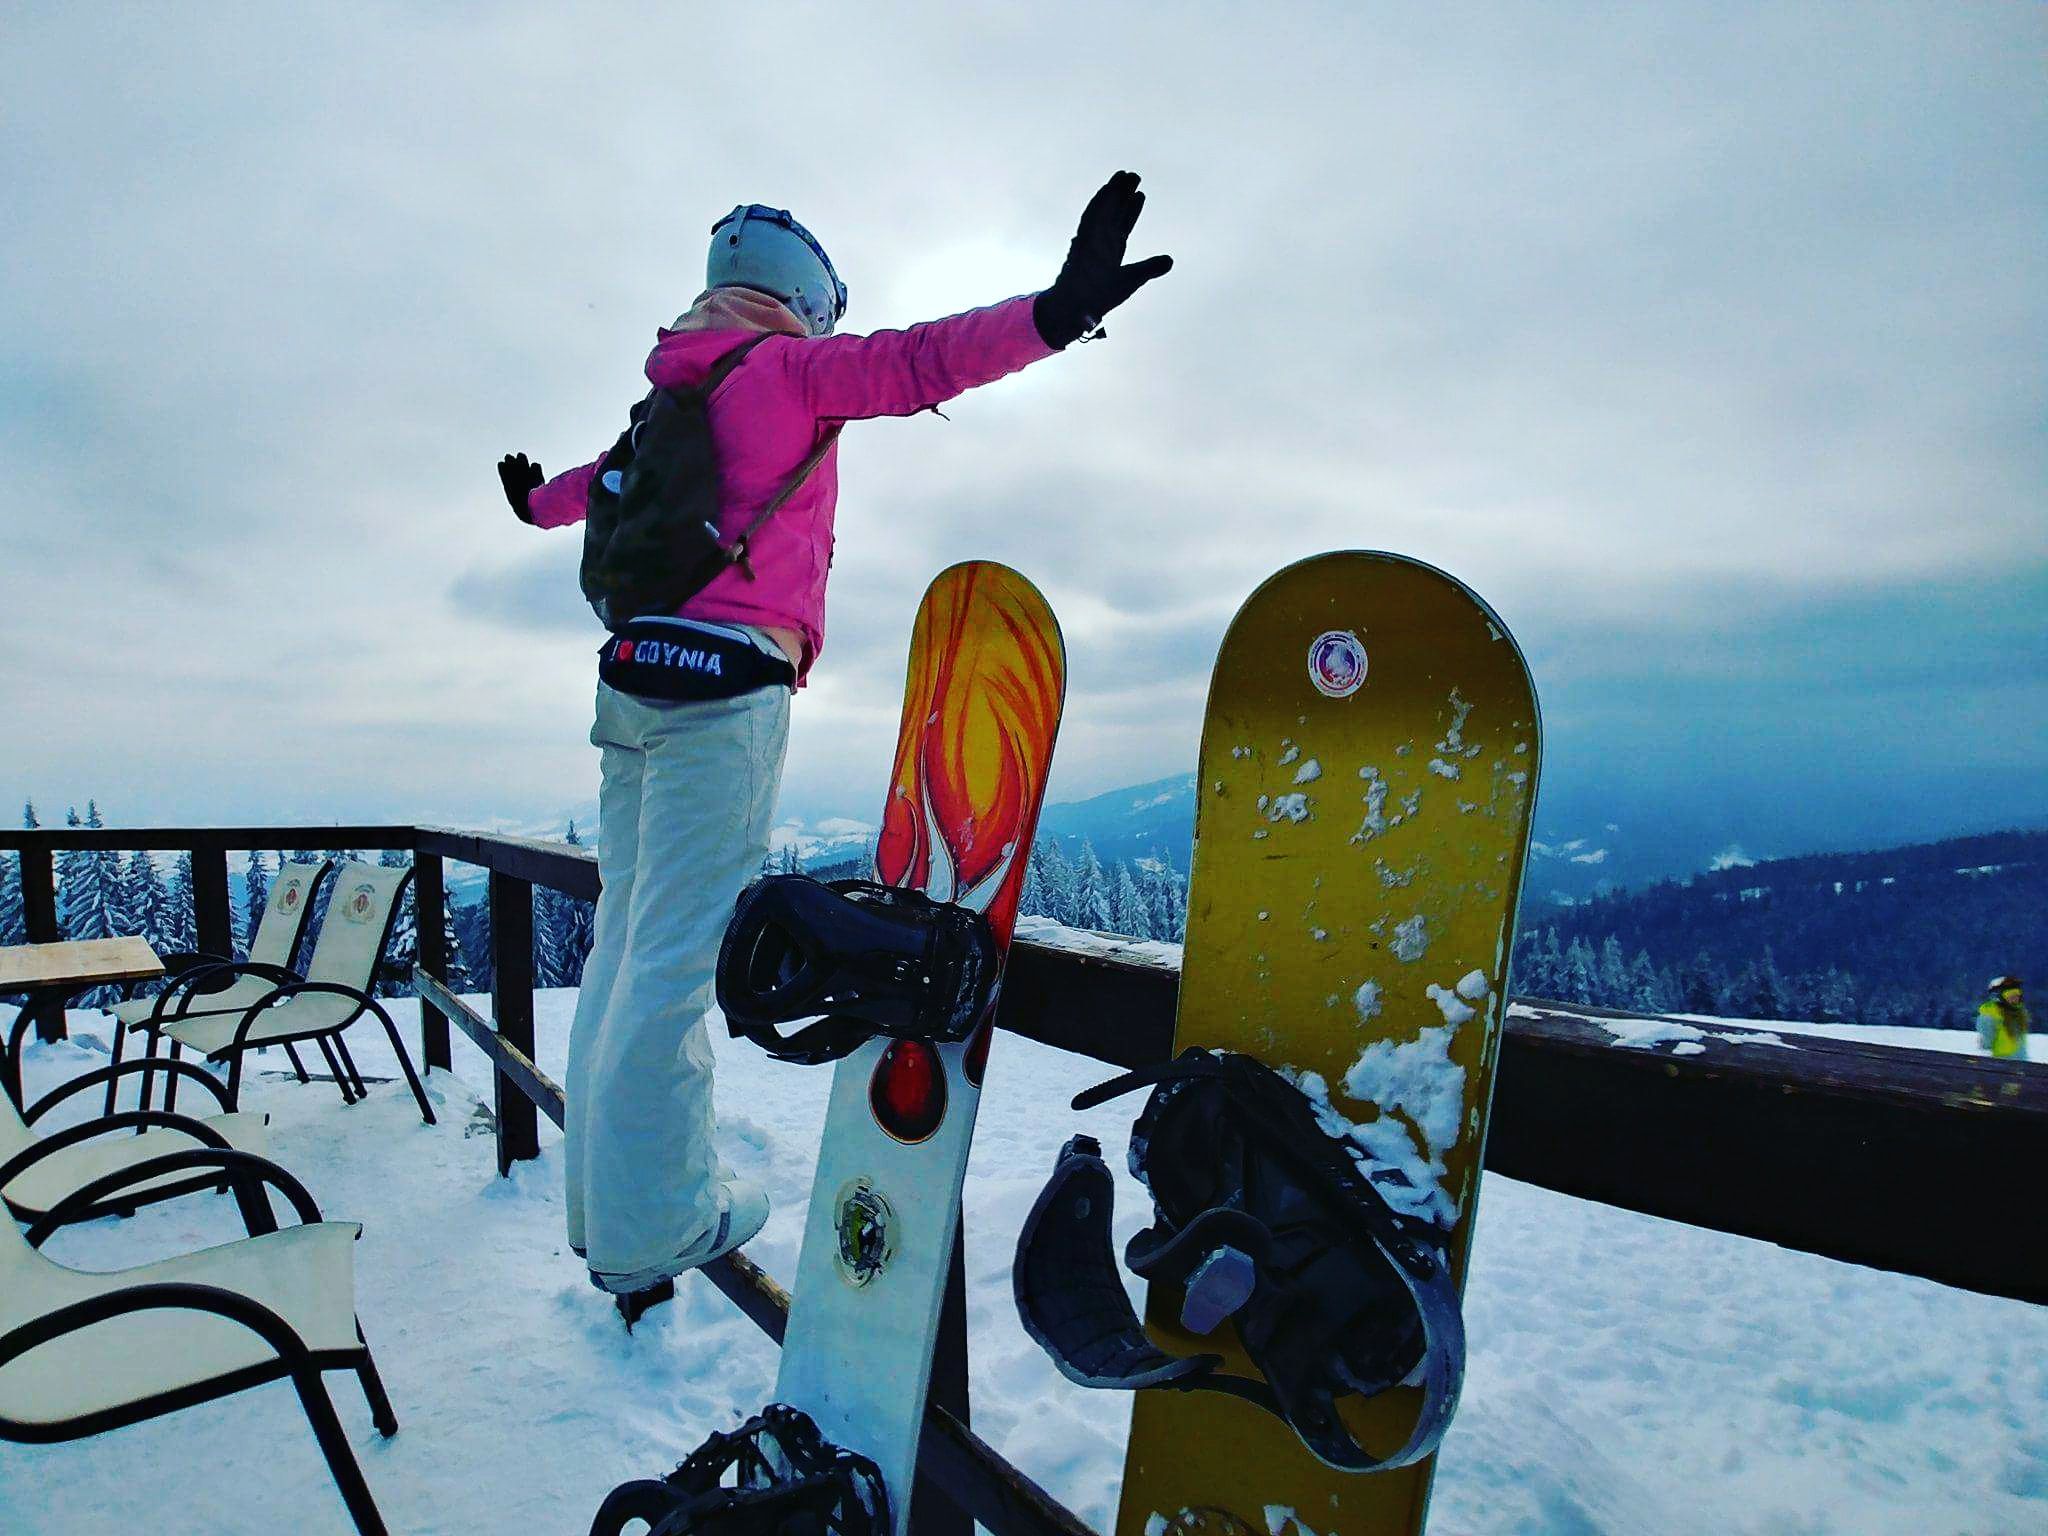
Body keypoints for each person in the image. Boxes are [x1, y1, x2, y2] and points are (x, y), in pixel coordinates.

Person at [497, 173, 1171, 1322]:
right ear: (805, 297)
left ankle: (604, 1208)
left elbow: (582, 492)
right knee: (670, 968)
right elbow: (918, 363)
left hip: (629, 685)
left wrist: (530, 508)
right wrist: (1055, 315)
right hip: (722, 690)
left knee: (621, 954)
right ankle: (653, 1223)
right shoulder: (788, 372)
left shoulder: (667, 393)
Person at [1976, 975, 2030, 1061]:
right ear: (2002, 997)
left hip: (2021, 1060)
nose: (2015, 999)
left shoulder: (2020, 1012)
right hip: (2001, 1059)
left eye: (2017, 995)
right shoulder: (1992, 1012)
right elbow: (1986, 1040)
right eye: (2010, 996)